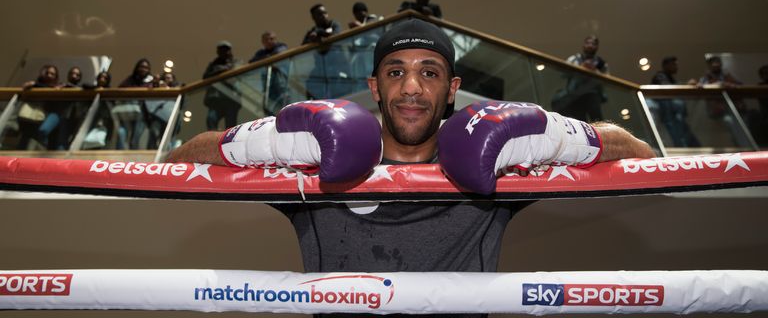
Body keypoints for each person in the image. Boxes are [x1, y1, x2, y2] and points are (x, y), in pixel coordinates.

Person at [167, 19, 654, 318]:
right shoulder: (316, 162)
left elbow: (640, 155)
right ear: (375, 87)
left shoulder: (493, 164)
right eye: (396, 72)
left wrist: (555, 133)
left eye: (430, 72)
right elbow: (178, 162)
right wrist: (265, 138)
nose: (412, 88)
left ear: (452, 88)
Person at [553, 35, 608, 122]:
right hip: (575, 95)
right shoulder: (574, 59)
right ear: (583, 45)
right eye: (588, 43)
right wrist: (579, 68)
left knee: (597, 121)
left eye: (593, 44)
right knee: (580, 123)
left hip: (592, 95)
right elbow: (563, 74)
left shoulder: (601, 63)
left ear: (597, 47)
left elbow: (606, 80)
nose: (590, 46)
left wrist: (595, 71)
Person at [302, 4, 349, 99]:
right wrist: (312, 39)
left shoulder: (334, 24)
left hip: (338, 67)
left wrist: (320, 33)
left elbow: (337, 35)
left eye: (325, 13)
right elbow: (303, 46)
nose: (324, 16)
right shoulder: (312, 32)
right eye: (319, 14)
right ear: (313, 18)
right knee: (311, 82)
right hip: (321, 69)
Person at [650, 57, 700, 147]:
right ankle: (683, 148)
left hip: (675, 114)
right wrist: (686, 85)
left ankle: (686, 147)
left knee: (682, 132)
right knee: (677, 133)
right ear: (666, 66)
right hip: (669, 113)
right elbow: (666, 88)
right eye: (673, 64)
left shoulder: (671, 79)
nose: (676, 67)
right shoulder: (660, 76)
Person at [16, 65, 62, 150]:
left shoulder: (57, 87)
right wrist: (33, 84)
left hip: (42, 118)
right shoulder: (34, 85)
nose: (49, 75)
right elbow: (23, 89)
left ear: (56, 77)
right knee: (24, 140)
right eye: (47, 73)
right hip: (28, 117)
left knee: (38, 139)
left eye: (52, 74)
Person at [116, 59, 154, 149]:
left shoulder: (151, 82)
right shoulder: (129, 80)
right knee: (123, 133)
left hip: (143, 114)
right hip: (127, 111)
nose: (143, 69)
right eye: (141, 67)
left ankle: (132, 157)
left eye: (146, 68)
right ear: (137, 68)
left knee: (136, 138)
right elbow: (120, 90)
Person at [204, 41, 242, 130]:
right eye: (221, 50)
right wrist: (221, 70)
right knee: (211, 120)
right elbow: (205, 77)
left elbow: (237, 71)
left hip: (231, 98)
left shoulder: (236, 61)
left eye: (226, 50)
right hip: (216, 99)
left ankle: (229, 143)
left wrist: (220, 70)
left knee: (230, 126)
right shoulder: (213, 64)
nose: (223, 52)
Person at [250, 32, 289, 116]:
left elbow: (279, 53)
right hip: (269, 88)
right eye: (266, 40)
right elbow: (252, 62)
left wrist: (264, 59)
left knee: (283, 109)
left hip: (281, 86)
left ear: (276, 39)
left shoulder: (281, 47)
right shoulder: (261, 53)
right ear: (263, 42)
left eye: (271, 39)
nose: (269, 41)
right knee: (269, 111)